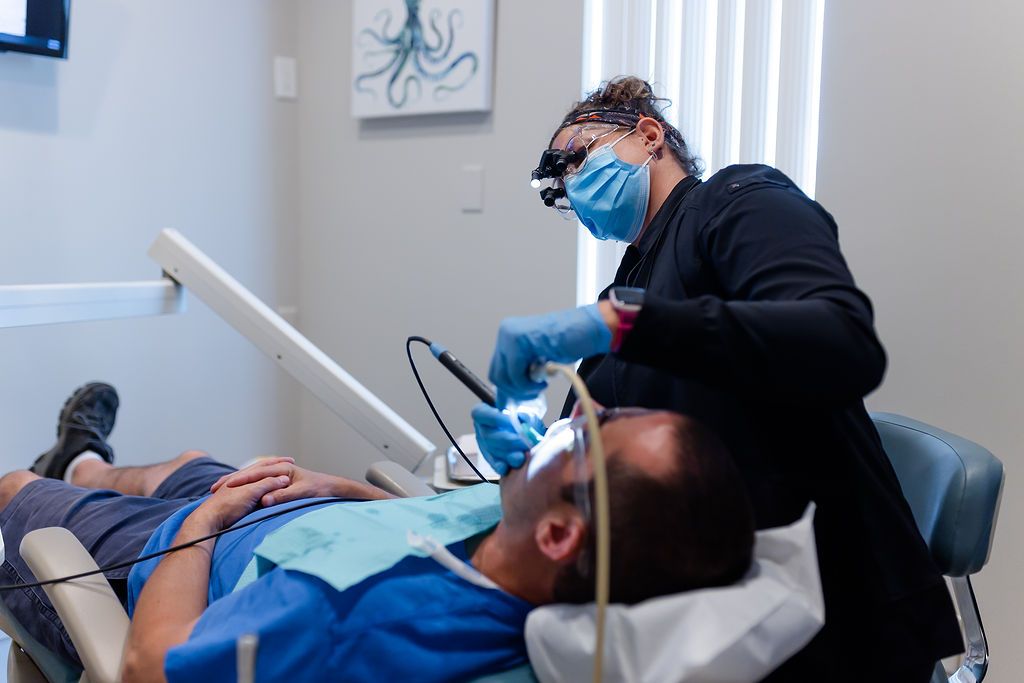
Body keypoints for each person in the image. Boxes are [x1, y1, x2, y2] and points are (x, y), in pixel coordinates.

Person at [472, 77, 963, 681]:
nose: (572, 186)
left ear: (648, 135)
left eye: (576, 159)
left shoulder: (738, 199)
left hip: (834, 611)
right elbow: (599, 425)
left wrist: (619, 323)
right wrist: (535, 443)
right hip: (713, 603)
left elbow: (840, 340)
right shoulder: (631, 282)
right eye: (561, 186)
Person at [0, 383, 755, 683]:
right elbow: (426, 523)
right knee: (187, 461)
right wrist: (340, 488)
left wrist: (202, 525)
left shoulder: (341, 624)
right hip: (293, 510)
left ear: (561, 534)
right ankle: (84, 458)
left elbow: (150, 666)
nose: (566, 421)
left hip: (187, 555)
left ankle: (55, 474)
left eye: (585, 434)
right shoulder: (525, 540)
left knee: (16, 491)